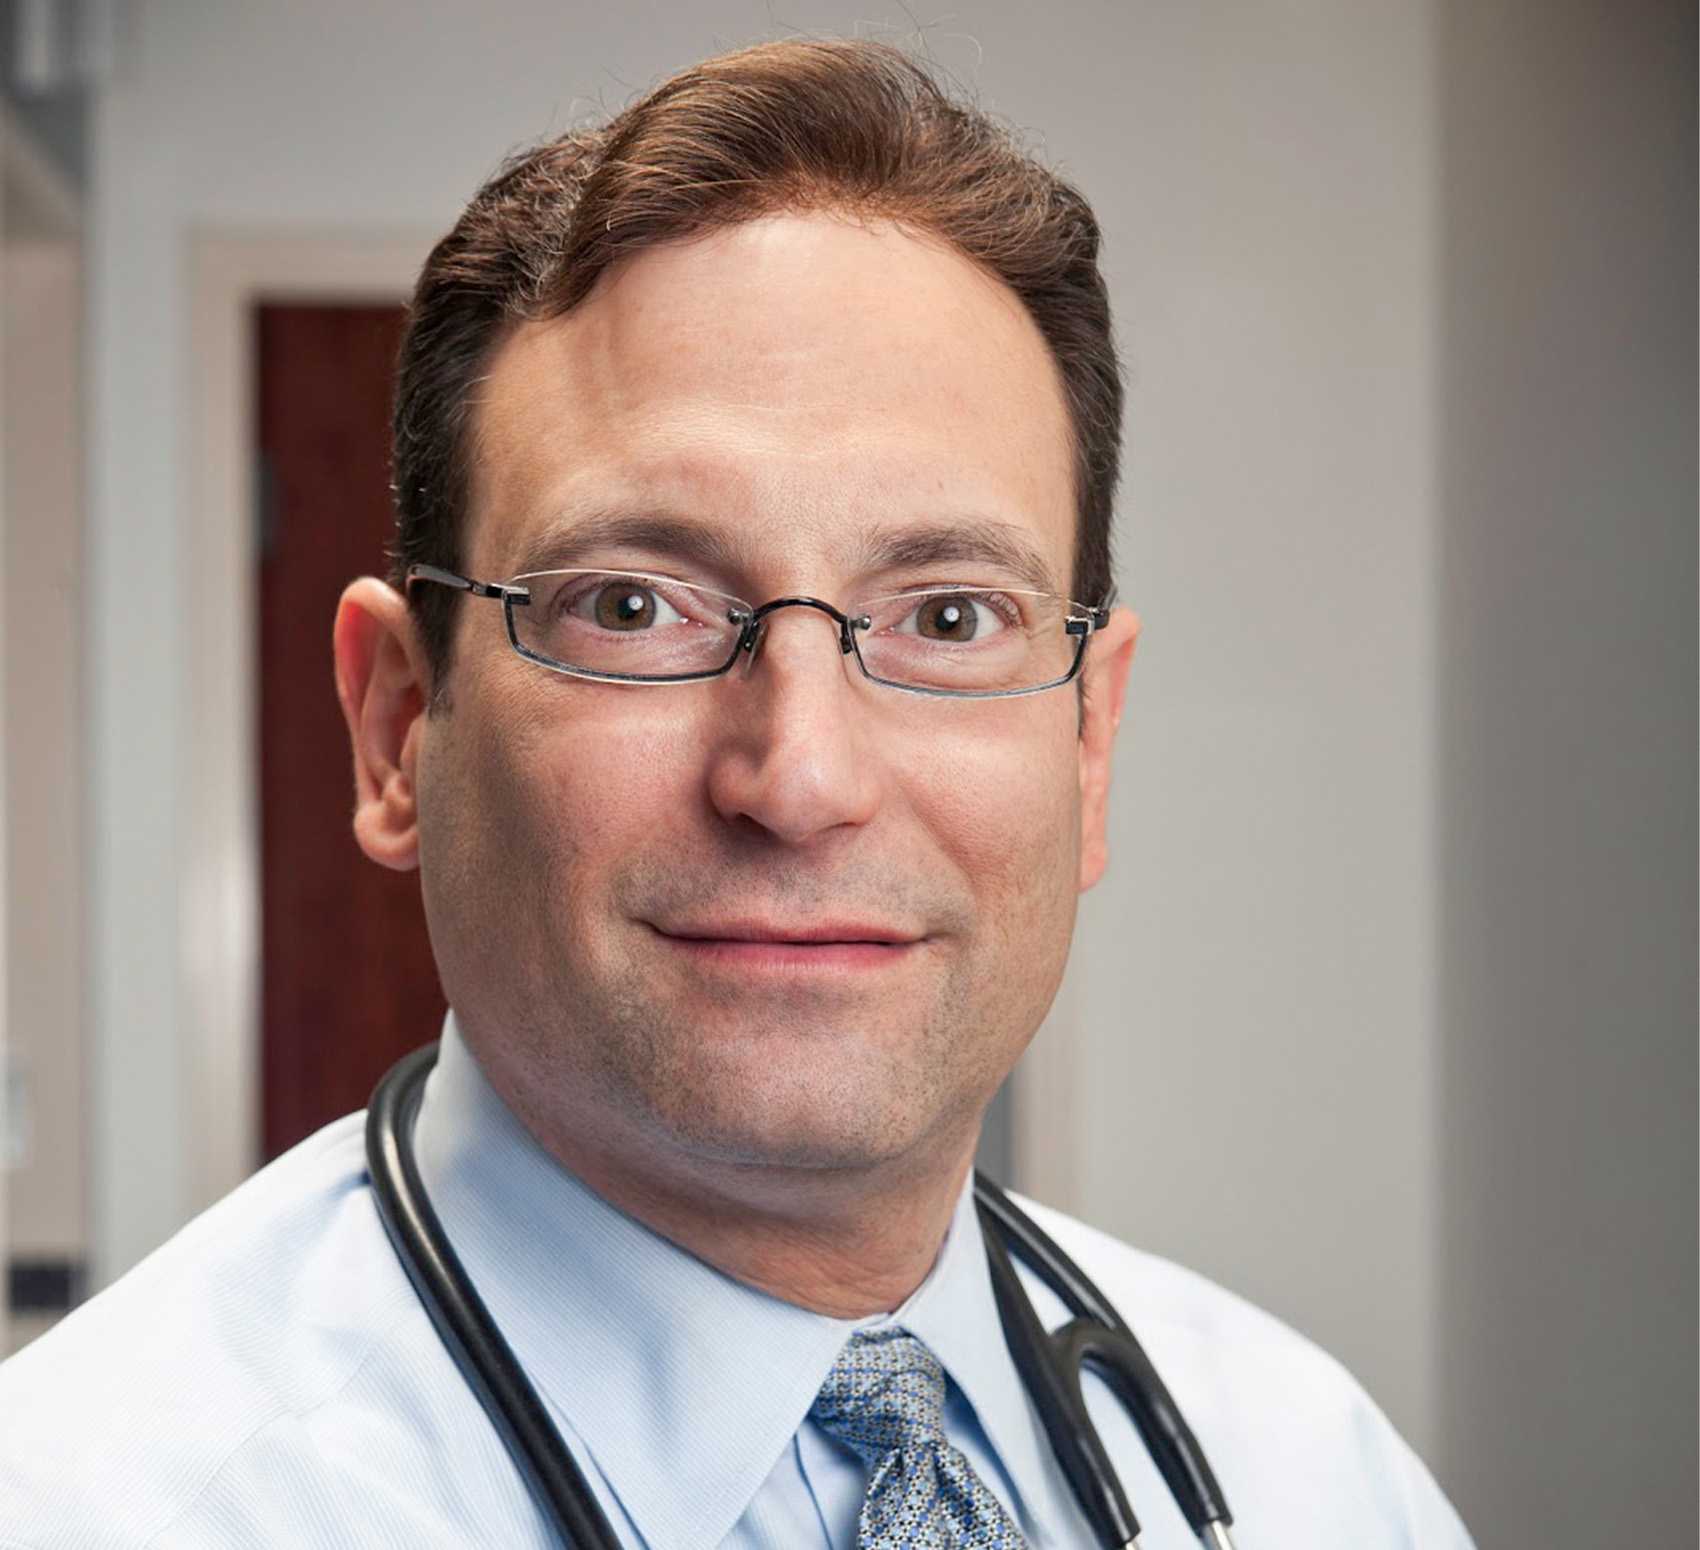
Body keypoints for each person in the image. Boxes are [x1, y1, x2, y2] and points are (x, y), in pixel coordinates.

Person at [0, 39, 1472, 1549]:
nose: (803, 778)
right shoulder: (98, 1503)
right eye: (634, 607)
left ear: (1089, 744)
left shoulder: (1317, 1475)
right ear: (397, 728)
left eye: (949, 616)